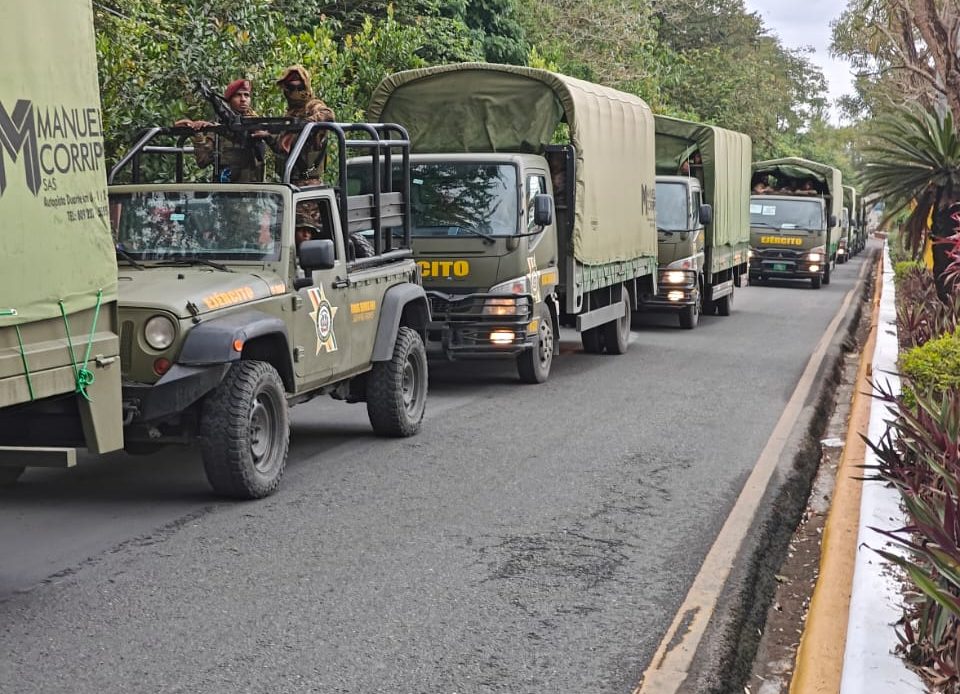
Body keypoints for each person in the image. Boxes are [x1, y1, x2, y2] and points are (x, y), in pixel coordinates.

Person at [175, 78, 266, 183]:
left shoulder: (256, 125)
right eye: (238, 95)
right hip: (224, 192)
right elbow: (203, 161)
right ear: (229, 100)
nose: (243, 99)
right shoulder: (218, 131)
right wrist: (197, 132)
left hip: (252, 191)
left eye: (246, 95)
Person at [274, 65, 336, 183]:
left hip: (308, 182)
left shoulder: (312, 105)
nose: (296, 91)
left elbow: (328, 114)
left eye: (300, 87)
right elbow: (282, 148)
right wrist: (267, 136)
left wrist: (306, 123)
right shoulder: (290, 114)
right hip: (289, 180)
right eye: (291, 87)